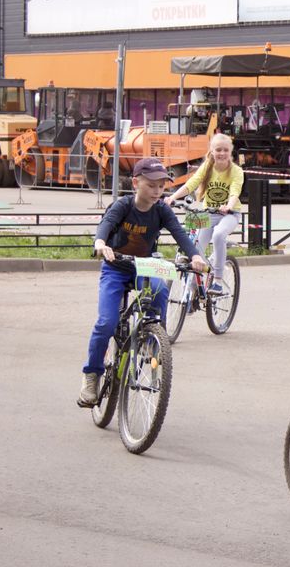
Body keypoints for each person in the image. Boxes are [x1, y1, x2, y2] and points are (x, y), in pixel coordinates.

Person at [78, 159, 206, 407]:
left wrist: (196, 256)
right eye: (151, 185)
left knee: (159, 289)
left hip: (143, 267)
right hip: (115, 268)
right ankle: (91, 375)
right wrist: (100, 245)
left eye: (161, 186)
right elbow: (105, 226)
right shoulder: (123, 206)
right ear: (136, 183)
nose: (157, 191)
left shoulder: (162, 210)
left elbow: (180, 234)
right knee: (106, 323)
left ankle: (153, 340)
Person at [165, 133, 244, 294]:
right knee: (194, 247)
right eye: (218, 149)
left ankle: (218, 281)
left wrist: (228, 205)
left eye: (225, 150)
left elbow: (235, 190)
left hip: (230, 214)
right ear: (212, 151)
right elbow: (191, 183)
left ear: (231, 152)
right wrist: (172, 197)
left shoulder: (236, 171)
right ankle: (194, 288)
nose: (221, 153)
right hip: (207, 212)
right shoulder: (207, 166)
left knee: (219, 235)